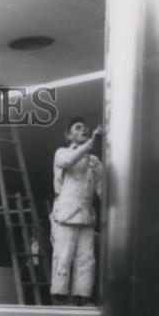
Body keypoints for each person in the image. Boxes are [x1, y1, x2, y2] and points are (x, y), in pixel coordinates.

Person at [50, 117, 104, 306]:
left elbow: (102, 190)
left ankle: (82, 296)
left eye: (86, 128)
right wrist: (91, 143)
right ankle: (59, 295)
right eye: (78, 127)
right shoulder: (62, 153)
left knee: (86, 258)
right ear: (68, 135)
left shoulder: (94, 161)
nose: (84, 130)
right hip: (65, 212)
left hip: (86, 214)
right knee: (63, 255)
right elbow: (69, 161)